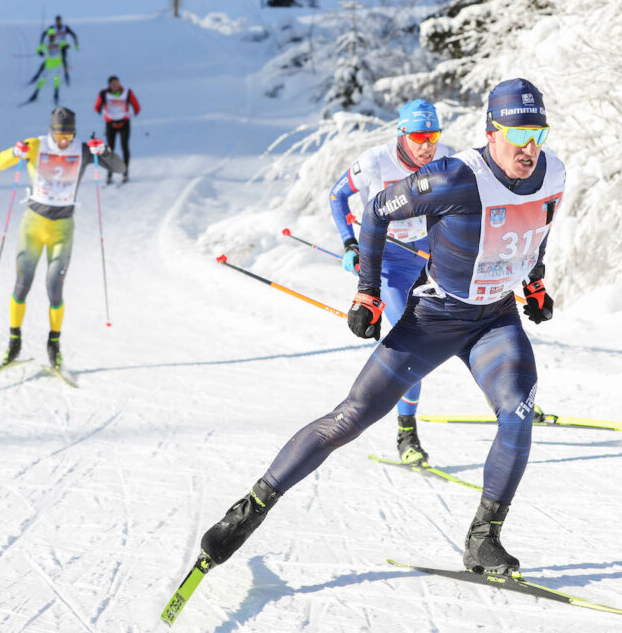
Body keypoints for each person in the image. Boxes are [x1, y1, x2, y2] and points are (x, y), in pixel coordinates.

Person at [197, 77, 564, 577]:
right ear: (491, 131)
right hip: (435, 316)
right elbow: (375, 211)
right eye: (518, 136)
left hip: (495, 318)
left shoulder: (553, 173)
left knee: (518, 413)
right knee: (350, 417)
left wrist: (535, 283)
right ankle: (250, 508)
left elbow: (536, 229)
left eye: (538, 135)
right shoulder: (453, 177)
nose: (530, 148)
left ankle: (484, 541)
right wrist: (367, 291)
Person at [328, 98, 453, 464]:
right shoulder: (374, 162)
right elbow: (338, 196)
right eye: (418, 136)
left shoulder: (446, 156)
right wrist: (350, 243)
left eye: (432, 135)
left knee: (474, 326)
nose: (427, 144)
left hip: (431, 260)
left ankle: (510, 405)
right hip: (391, 264)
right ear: (402, 134)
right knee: (410, 347)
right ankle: (406, 432)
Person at [0, 106, 125, 375]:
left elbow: (120, 168)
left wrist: (105, 152)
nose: (64, 141)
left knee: (54, 287)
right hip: (33, 225)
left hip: (63, 228)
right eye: (59, 135)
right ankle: (14, 341)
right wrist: (14, 153)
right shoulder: (34, 145)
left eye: (68, 135)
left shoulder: (83, 149)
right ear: (51, 131)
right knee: (22, 285)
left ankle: (54, 346)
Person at [94, 76, 141, 183]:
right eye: (113, 84)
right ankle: (110, 173)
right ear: (109, 85)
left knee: (124, 147)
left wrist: (136, 110)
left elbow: (136, 104)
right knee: (110, 149)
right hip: (110, 123)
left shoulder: (127, 93)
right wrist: (100, 108)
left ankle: (125, 172)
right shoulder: (104, 94)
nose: (115, 85)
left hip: (124, 123)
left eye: (117, 83)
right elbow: (97, 106)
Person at [26, 33, 70, 105]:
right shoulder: (46, 43)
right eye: (50, 36)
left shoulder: (59, 42)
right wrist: (40, 52)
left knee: (56, 78)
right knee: (43, 79)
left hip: (57, 64)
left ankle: (56, 94)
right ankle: (35, 94)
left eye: (53, 36)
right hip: (49, 64)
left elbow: (66, 45)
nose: (52, 37)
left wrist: (65, 47)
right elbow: (39, 49)